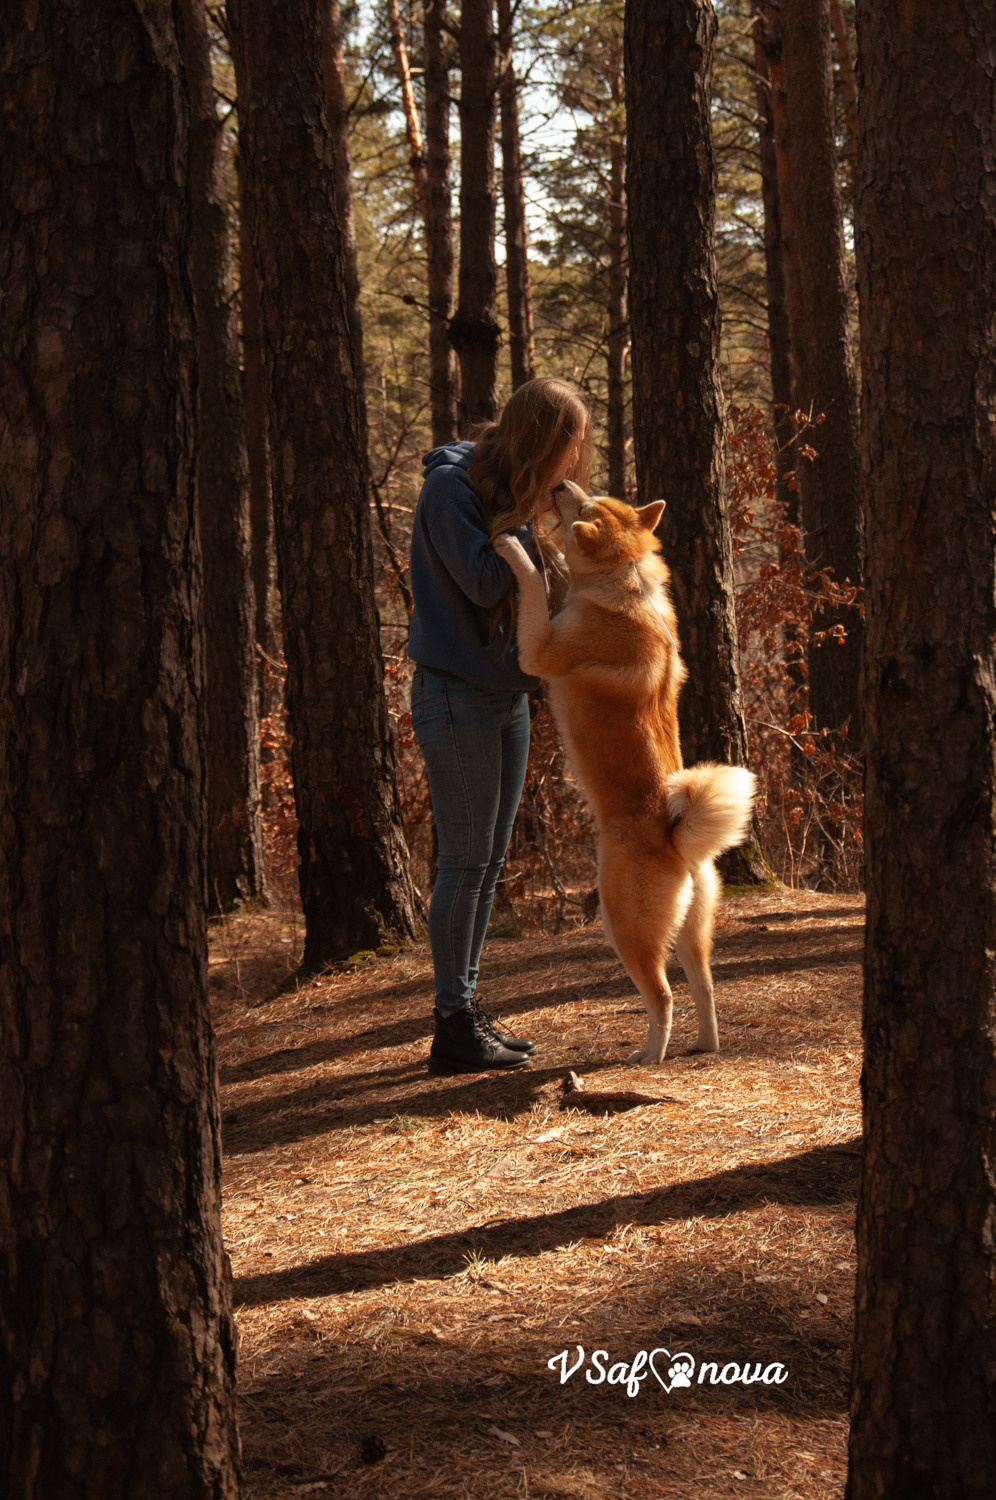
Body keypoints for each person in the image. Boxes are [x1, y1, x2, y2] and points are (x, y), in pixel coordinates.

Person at [408, 377, 594, 1074]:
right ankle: (452, 1024)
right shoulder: (450, 491)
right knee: (463, 860)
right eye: (566, 450)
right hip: (455, 698)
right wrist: (528, 525)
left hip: (504, 695)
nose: (570, 466)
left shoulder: (504, 499)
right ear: (538, 439)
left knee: (487, 864)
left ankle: (467, 1009)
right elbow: (487, 584)